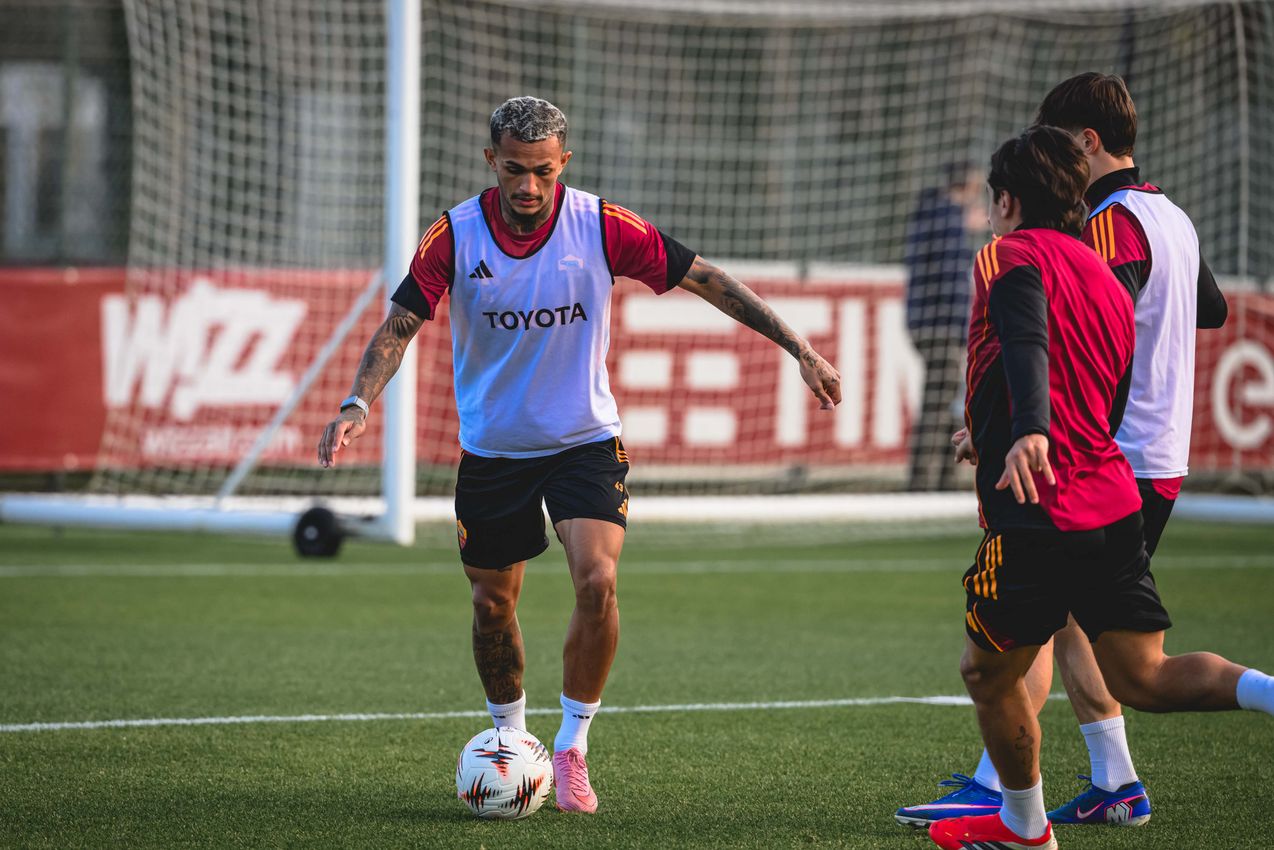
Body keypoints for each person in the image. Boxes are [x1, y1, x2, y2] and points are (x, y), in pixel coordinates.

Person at [316, 96, 841, 814]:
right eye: (513, 171)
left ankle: (570, 749)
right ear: (489, 161)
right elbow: (400, 324)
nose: (527, 187)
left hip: (583, 442)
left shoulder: (600, 226)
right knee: (491, 603)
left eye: (541, 171)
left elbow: (708, 280)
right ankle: (510, 742)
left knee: (597, 581)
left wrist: (800, 348)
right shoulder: (455, 236)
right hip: (494, 450)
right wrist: (357, 403)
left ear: (563, 162)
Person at [911, 126, 1272, 850]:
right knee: (1145, 677)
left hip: (1040, 506)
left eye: (992, 197)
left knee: (987, 671)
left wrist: (1029, 431)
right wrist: (1004, 428)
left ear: (1007, 200)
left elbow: (1024, 336)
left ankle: (1022, 823)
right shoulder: (1103, 272)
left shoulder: (1005, 254)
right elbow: (1102, 389)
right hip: (1111, 498)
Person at [903, 162, 984, 491]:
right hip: (942, 325)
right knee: (941, 402)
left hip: (923, 322)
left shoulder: (929, 214)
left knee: (942, 400)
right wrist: (963, 327)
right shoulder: (948, 219)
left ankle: (936, 478)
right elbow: (950, 281)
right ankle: (929, 481)